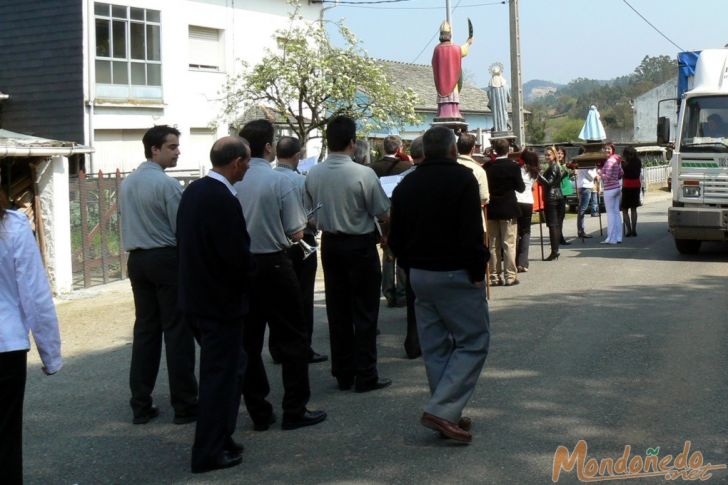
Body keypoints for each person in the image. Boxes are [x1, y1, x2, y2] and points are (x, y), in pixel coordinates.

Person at [389, 126, 490, 443]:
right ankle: (442, 410)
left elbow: (396, 238)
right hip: (455, 271)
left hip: (420, 273)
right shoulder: (462, 179)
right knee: (473, 341)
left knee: (435, 346)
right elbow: (472, 232)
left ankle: (447, 410)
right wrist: (477, 270)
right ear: (451, 150)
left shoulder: (407, 183)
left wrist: (410, 267)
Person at [235, 120, 326, 432]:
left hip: (243, 266)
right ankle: (294, 408)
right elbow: (296, 229)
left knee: (248, 341)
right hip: (274, 261)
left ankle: (259, 410)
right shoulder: (278, 181)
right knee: (292, 337)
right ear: (269, 147)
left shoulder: (231, 179)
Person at [177, 136, 252, 473]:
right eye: (246, 162)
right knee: (218, 376)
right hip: (219, 302)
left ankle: (222, 436)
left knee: (231, 368)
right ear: (236, 162)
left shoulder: (194, 191)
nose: (248, 169)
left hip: (196, 296)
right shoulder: (222, 199)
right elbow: (234, 256)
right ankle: (207, 450)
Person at [305, 115, 392, 393]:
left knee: (338, 309)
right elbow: (383, 212)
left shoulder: (313, 173)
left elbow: (307, 214)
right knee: (365, 310)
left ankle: (343, 372)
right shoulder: (363, 174)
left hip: (331, 244)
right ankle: (366, 373)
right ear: (353, 143)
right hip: (359, 244)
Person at [119, 125, 198, 425]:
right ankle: (185, 404)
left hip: (137, 259)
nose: (177, 152)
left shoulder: (128, 183)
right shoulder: (167, 185)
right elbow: (182, 228)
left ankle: (140, 402)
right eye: (172, 147)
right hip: (165, 257)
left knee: (146, 331)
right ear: (154, 149)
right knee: (177, 332)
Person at [0, 190, 62, 485]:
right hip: (6, 345)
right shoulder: (12, 226)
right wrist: (50, 354)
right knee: (5, 439)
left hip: (7, 343)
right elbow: (35, 294)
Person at [270, 136, 328, 364]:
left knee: (277, 299)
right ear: (298, 156)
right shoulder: (299, 181)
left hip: (276, 245)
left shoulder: (269, 178)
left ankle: (277, 348)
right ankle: (303, 347)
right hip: (300, 241)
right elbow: (310, 218)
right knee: (303, 297)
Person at [370, 135, 411, 307]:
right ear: (399, 148)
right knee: (401, 254)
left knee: (387, 254)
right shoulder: (406, 166)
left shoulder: (372, 167)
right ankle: (402, 292)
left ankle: (388, 292)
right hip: (401, 214)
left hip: (381, 214)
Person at [484, 138, 525, 286]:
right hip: (508, 207)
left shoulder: (488, 166)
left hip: (492, 209)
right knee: (509, 243)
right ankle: (510, 276)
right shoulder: (513, 167)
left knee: (493, 244)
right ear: (508, 150)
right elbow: (521, 188)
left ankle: (494, 276)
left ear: (494, 150)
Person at [400, 136, 425, 359]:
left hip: (411, 251)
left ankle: (413, 340)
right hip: (438, 251)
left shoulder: (403, 181)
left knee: (413, 299)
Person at [431, 20, 473, 119]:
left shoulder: (437, 49)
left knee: (444, 99)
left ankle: (444, 112)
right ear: (450, 34)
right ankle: (453, 111)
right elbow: (462, 51)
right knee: (453, 95)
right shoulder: (455, 48)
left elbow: (433, 63)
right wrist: (468, 43)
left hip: (441, 81)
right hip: (452, 80)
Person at [457, 132, 490, 236]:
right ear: (472, 149)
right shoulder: (478, 170)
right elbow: (484, 198)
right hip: (472, 218)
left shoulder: (448, 167)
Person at [538, 147, 565, 261]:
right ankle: (555, 250)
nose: (546, 157)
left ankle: (554, 251)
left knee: (553, 225)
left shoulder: (554, 167)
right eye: (545, 155)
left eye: (549, 155)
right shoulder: (556, 166)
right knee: (556, 225)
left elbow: (549, 183)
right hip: (558, 196)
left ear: (554, 155)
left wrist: (538, 176)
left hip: (552, 198)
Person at [516, 150, 539, 272]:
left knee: (516, 231)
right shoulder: (534, 173)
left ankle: (514, 259)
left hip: (517, 200)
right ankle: (523, 262)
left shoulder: (518, 170)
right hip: (528, 202)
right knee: (525, 232)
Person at [598, 143, 624, 245]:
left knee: (611, 214)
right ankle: (618, 237)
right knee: (616, 212)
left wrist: (600, 173)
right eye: (605, 149)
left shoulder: (609, 161)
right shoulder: (616, 160)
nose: (606, 151)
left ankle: (611, 238)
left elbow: (607, 176)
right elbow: (621, 173)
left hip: (609, 189)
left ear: (612, 150)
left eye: (608, 149)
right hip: (617, 188)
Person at [621, 146, 642, 237]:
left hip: (627, 185)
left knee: (625, 209)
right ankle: (634, 230)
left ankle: (628, 230)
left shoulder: (624, 163)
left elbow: (621, 175)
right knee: (634, 208)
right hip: (636, 185)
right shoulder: (638, 161)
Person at [576, 165, 599, 238]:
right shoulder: (585, 163)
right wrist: (596, 176)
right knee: (582, 209)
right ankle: (581, 230)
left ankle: (580, 230)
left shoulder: (583, 163)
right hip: (585, 186)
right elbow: (589, 175)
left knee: (581, 208)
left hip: (583, 186)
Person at [556, 147, 573, 246]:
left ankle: (559, 236)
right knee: (559, 216)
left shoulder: (565, 165)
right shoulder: (556, 165)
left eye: (561, 153)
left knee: (561, 216)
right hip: (559, 192)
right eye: (558, 153)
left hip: (565, 191)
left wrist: (571, 172)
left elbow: (567, 176)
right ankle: (559, 237)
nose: (560, 155)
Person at [487, 63, 510, 133]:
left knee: (496, 117)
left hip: (495, 107)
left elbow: (489, 95)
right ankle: (504, 128)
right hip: (503, 106)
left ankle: (497, 128)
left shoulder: (490, 84)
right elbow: (508, 95)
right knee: (504, 115)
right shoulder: (504, 83)